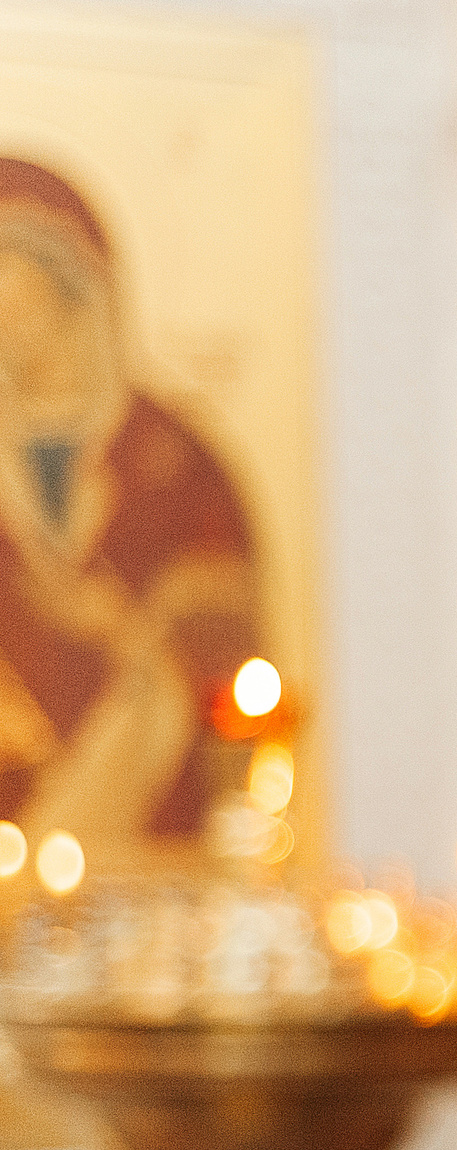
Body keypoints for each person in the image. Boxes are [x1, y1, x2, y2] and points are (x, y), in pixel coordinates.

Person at [0, 157, 259, 849]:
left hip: (147, 853)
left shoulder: (178, 465)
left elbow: (228, 663)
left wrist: (121, 631)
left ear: (70, 284)